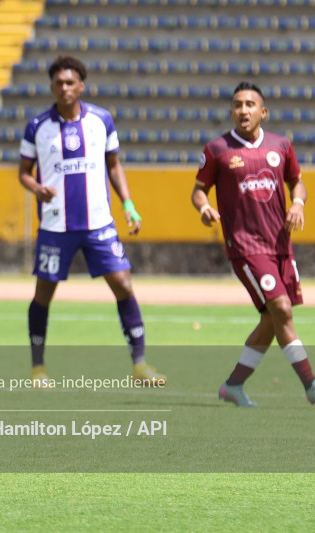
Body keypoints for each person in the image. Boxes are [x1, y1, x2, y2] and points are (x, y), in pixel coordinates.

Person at [17, 55, 166, 387]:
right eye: (59, 83)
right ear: (52, 87)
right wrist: (37, 188)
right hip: (56, 226)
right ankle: (38, 368)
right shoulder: (37, 126)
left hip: (99, 223)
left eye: (70, 82)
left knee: (124, 286)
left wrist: (128, 204)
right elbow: (23, 174)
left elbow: (114, 166)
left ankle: (140, 364)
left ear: (81, 85)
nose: (64, 88)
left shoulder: (101, 120)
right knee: (43, 294)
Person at [192, 81, 314, 407]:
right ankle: (312, 387)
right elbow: (198, 189)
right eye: (237, 105)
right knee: (282, 311)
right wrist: (204, 206)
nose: (242, 110)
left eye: (249, 104)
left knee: (271, 320)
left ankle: (233, 385)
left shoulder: (281, 145)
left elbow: (297, 183)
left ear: (263, 112)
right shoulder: (218, 149)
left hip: (280, 245)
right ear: (231, 111)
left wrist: (298, 203)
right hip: (245, 246)